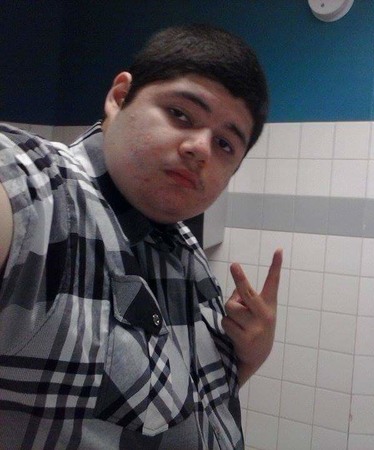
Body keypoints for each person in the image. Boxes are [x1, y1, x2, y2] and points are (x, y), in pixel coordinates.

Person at [0, 24, 282, 449]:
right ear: (119, 97)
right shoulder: (45, 195)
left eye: (225, 144)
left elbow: (177, 407)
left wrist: (249, 358)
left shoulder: (185, 248)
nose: (200, 148)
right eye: (180, 114)